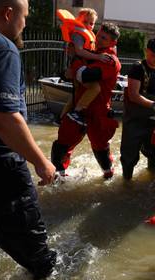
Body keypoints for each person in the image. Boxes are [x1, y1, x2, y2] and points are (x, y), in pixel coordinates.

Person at [0, 0, 57, 280]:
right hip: (2, 167)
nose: (26, 23)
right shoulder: (4, 48)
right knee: (41, 259)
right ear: (8, 14)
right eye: (24, 16)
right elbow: (5, 119)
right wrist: (42, 162)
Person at [51, 22, 121, 179]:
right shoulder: (89, 53)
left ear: (113, 42)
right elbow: (67, 74)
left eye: (104, 37)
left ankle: (108, 177)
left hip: (98, 113)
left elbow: (85, 75)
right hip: (79, 108)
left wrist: (75, 59)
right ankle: (58, 180)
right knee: (61, 146)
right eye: (98, 34)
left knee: (101, 150)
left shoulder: (111, 60)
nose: (98, 38)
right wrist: (73, 64)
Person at [120, 38, 155, 180]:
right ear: (146, 52)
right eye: (154, 55)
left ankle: (151, 177)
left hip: (153, 120)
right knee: (129, 155)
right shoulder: (137, 68)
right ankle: (126, 183)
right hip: (135, 119)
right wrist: (154, 105)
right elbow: (133, 95)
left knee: (154, 151)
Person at [59, 8, 112, 126]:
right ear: (79, 21)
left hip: (81, 66)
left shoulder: (88, 34)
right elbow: (79, 51)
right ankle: (77, 112)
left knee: (77, 94)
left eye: (92, 23)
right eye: (86, 22)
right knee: (95, 88)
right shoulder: (78, 34)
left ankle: (62, 118)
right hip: (78, 66)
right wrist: (98, 57)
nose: (89, 25)